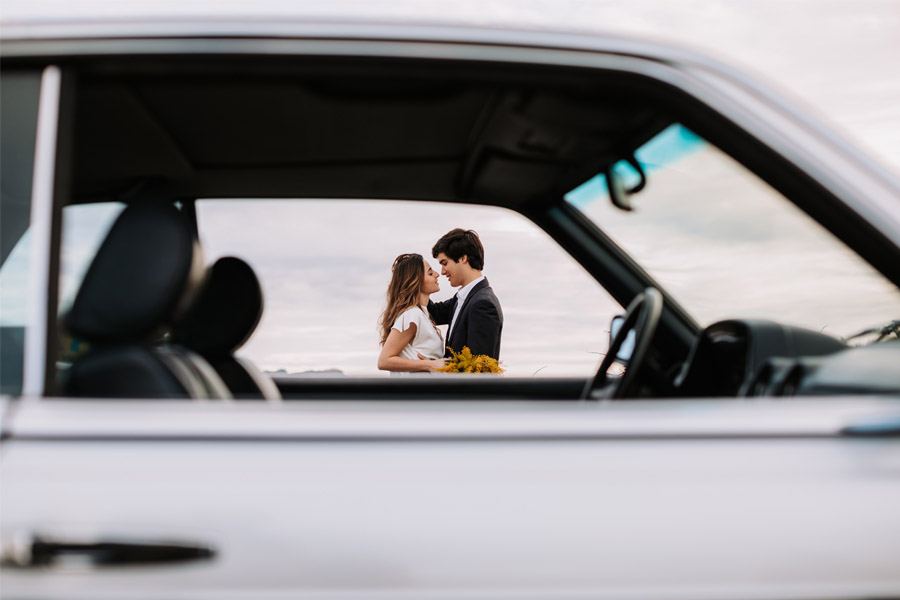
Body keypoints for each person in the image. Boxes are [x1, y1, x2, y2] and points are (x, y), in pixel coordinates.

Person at [428, 228, 503, 359]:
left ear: (463, 258)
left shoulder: (483, 304)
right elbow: (433, 313)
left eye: (445, 263)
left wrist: (433, 367)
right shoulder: (462, 298)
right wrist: (413, 279)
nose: (442, 271)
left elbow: (478, 369)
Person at [377, 253, 446, 373]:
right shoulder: (412, 315)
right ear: (416, 281)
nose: (437, 274)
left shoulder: (423, 315)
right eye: (430, 273)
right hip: (412, 391)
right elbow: (384, 361)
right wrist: (429, 364)